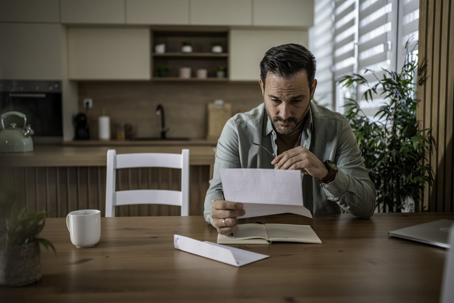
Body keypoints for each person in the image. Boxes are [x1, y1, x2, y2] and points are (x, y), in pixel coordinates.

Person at [204, 43, 375, 235]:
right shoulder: (237, 130)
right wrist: (217, 214)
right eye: (275, 100)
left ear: (313, 89)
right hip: (254, 241)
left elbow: (366, 206)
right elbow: (216, 192)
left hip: (323, 247)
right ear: (262, 87)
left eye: (296, 100)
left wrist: (326, 173)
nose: (284, 114)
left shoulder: (336, 128)